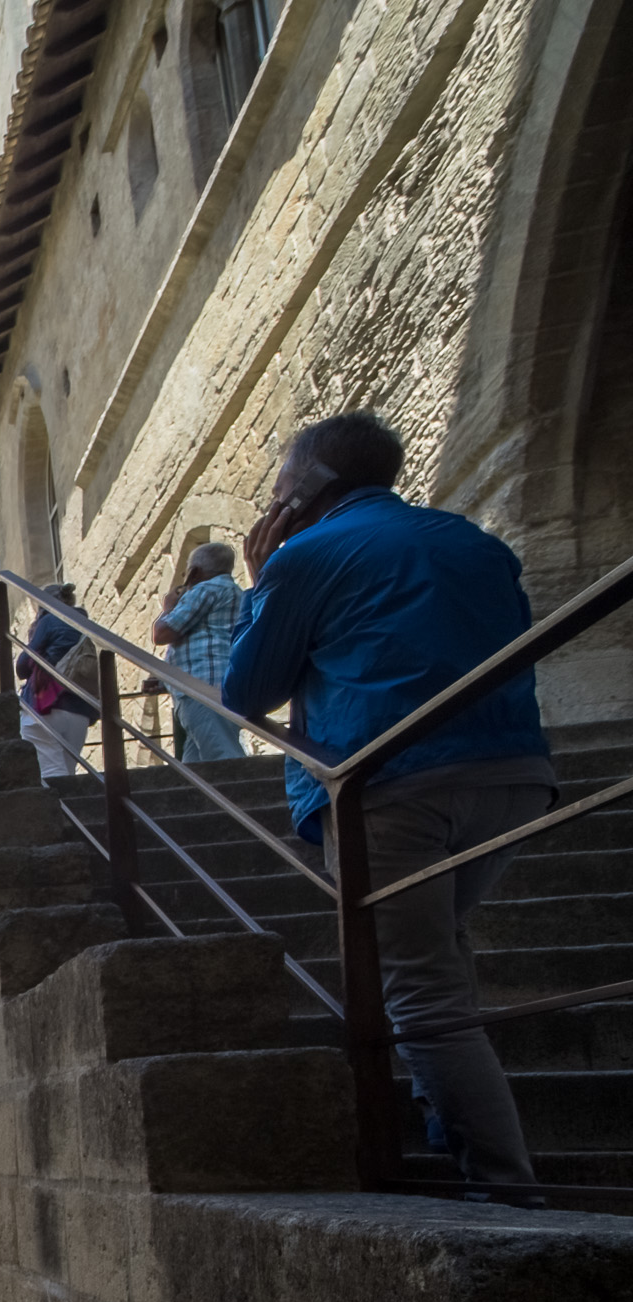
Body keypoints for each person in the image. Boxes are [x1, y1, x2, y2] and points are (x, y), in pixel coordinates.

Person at [223, 410, 558, 1193]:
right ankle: (444, 1114)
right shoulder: (473, 541)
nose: (271, 499)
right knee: (439, 943)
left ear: (308, 486)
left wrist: (261, 583)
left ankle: (504, 1185)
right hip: (512, 776)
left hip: (392, 786)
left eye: (280, 483)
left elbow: (246, 691)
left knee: (418, 989)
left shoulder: (303, 556)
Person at [152, 542, 248, 761]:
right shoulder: (234, 592)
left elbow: (163, 633)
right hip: (220, 683)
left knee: (222, 754)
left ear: (194, 572)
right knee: (194, 766)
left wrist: (169, 607)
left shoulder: (206, 589)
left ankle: (247, 785)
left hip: (200, 688)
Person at [15, 582, 100, 779]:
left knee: (49, 770)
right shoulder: (82, 624)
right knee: (67, 771)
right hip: (80, 709)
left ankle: (59, 800)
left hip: (46, 705)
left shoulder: (49, 621)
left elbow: (23, 664)